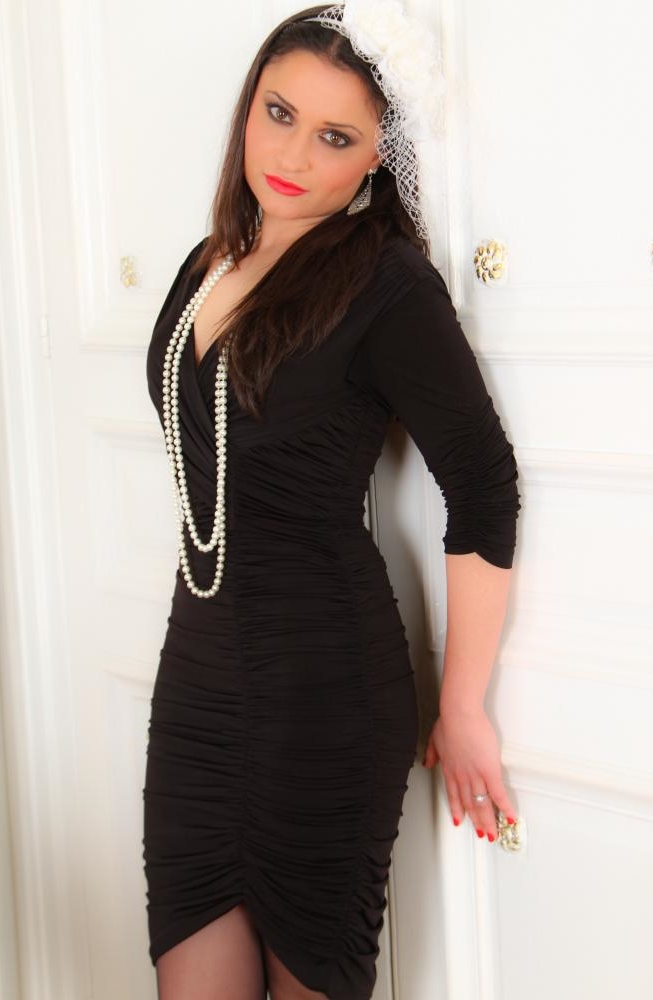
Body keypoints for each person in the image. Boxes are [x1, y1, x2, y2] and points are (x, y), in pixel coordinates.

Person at [142, 4, 521, 999]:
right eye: (279, 113)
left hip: (324, 693)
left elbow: (483, 482)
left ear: (376, 159)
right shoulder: (205, 264)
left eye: (336, 136)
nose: (293, 155)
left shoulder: (387, 284)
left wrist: (463, 703)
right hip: (197, 685)